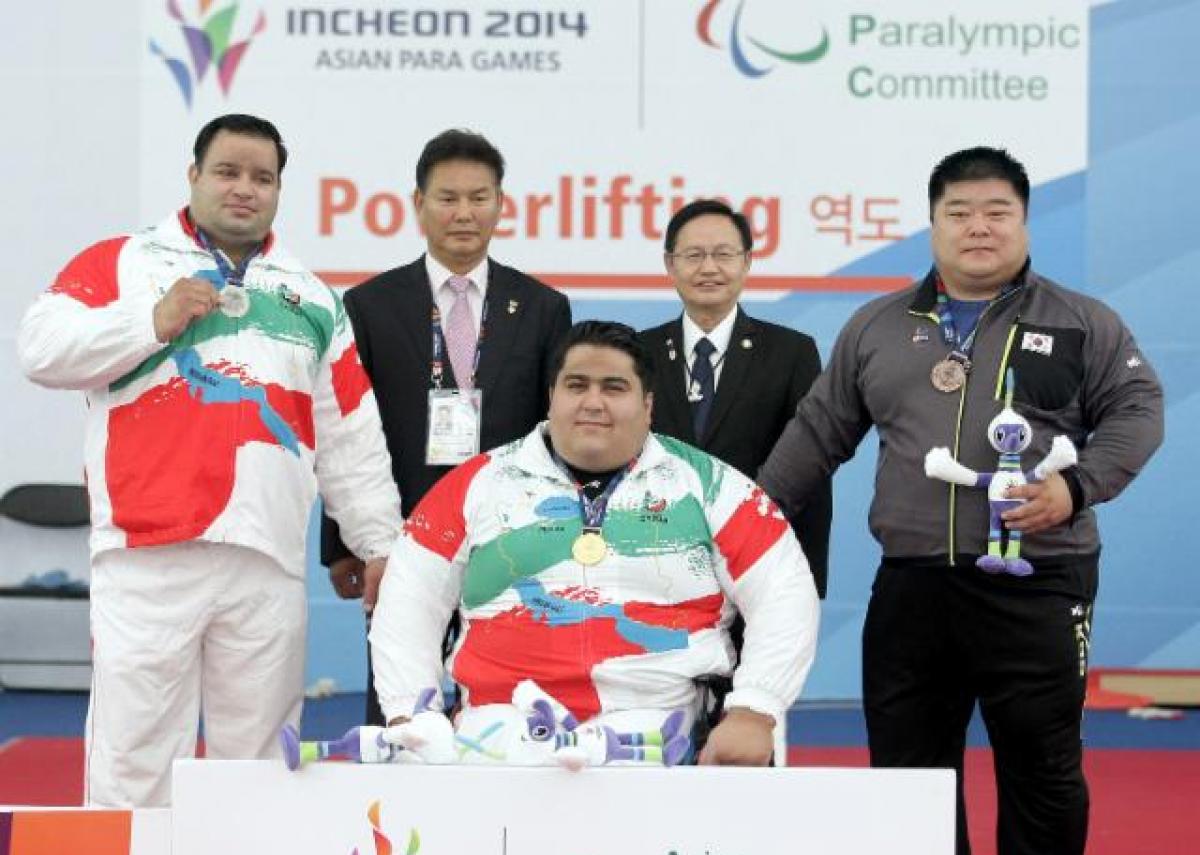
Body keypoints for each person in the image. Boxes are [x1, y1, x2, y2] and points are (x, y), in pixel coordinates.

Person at [758, 147, 1164, 855]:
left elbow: (1138, 409)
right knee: (908, 777)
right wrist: (745, 525)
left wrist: (1076, 488)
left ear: (1026, 222)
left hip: (1041, 581)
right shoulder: (877, 326)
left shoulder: (1082, 320)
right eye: (960, 212)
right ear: (933, 223)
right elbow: (817, 435)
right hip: (914, 586)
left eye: (998, 211)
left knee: (1043, 769)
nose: (980, 227)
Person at [16, 114, 402, 808]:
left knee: (255, 770)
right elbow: (41, 349)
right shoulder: (124, 261)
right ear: (193, 175)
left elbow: (348, 431)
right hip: (146, 553)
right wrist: (149, 321)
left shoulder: (311, 296)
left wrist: (377, 541)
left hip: (266, 560)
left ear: (281, 189)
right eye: (228, 171)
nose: (244, 189)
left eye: (263, 177)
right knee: (134, 762)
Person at [370, 321, 820, 765]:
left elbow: (784, 590)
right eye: (577, 385)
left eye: (614, 387)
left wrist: (755, 708)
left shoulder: (711, 485)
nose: (592, 402)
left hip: (659, 743)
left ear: (648, 404)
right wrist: (410, 713)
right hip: (497, 743)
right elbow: (408, 596)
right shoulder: (477, 484)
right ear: (552, 397)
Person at [320, 128, 571, 726]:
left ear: (501, 205)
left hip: (509, 543)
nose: (464, 213)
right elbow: (345, 430)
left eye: (479, 198)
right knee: (402, 706)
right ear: (418, 204)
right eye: (448, 197)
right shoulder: (369, 305)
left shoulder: (542, 307)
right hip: (403, 538)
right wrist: (343, 543)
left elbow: (556, 436)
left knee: (506, 710)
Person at [641, 199, 832, 596]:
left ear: (746, 262)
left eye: (723, 255)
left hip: (757, 568)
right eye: (693, 255)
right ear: (670, 264)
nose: (709, 268)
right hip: (655, 569)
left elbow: (808, 468)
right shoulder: (639, 353)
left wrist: (804, 582)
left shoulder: (791, 352)